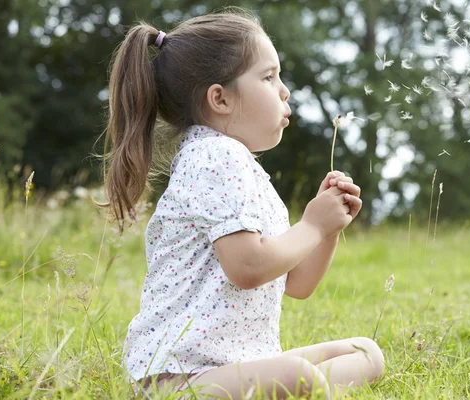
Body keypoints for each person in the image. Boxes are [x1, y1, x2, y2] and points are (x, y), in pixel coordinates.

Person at [101, 9, 384, 399]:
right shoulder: (214, 157)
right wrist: (313, 226)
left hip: (238, 367)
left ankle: (307, 390)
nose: (284, 90)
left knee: (365, 352)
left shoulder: (245, 171)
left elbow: (296, 285)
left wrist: (328, 229)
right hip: (178, 377)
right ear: (220, 98)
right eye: (269, 77)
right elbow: (249, 267)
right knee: (298, 376)